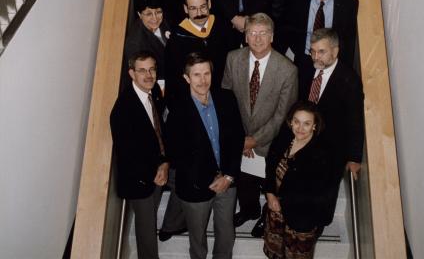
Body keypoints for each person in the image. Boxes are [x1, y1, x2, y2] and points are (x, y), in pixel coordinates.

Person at [222, 13, 298, 237]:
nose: (257, 38)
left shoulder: (287, 70)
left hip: (270, 141)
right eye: (252, 33)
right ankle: (249, 210)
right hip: (240, 137)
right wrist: (240, 138)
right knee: (245, 181)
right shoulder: (232, 59)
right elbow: (227, 102)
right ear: (245, 36)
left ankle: (266, 215)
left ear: (272, 36)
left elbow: (283, 115)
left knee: (270, 184)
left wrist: (254, 140)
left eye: (263, 33)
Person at [166, 52, 245, 259]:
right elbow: (177, 154)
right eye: (197, 75)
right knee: (198, 240)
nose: (203, 80)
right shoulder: (177, 109)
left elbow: (237, 140)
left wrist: (228, 176)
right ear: (187, 78)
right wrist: (211, 178)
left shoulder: (227, 98)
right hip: (196, 185)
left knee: (226, 235)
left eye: (206, 74)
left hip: (227, 181)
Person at [110, 51, 168, 259]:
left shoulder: (155, 94)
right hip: (140, 180)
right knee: (146, 232)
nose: (149, 75)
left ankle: (170, 225)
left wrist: (164, 164)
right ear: (131, 74)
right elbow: (127, 154)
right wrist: (155, 172)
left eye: (152, 69)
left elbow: (159, 132)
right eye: (142, 71)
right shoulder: (123, 108)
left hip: (158, 168)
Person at [300, 29, 364, 211]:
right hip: (304, 145)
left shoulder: (349, 80)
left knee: (322, 203)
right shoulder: (305, 70)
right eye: (312, 51)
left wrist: (354, 157)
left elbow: (355, 120)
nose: (315, 57)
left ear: (335, 52)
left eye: (321, 52)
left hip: (332, 152)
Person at [264, 101, 335, 259]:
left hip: (301, 220)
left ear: (315, 126)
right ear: (290, 121)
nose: (300, 128)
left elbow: (318, 194)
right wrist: (269, 193)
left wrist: (281, 201)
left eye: (306, 124)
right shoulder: (283, 139)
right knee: (275, 253)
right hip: (276, 212)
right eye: (296, 122)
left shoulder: (322, 153)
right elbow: (270, 166)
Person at [164, 0, 237, 105]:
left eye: (203, 7)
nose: (199, 13)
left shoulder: (224, 29)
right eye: (193, 8)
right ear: (186, 9)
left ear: (209, 4)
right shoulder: (177, 39)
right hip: (191, 101)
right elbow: (173, 79)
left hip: (223, 96)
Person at [284, 0, 358, 71]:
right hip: (305, 60)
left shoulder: (348, 4)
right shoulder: (298, 2)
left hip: (332, 63)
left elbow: (348, 41)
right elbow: (290, 31)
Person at [124, 0, 171, 83]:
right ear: (139, 14)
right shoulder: (135, 43)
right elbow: (143, 78)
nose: (155, 18)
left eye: (158, 12)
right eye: (149, 14)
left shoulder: (165, 21)